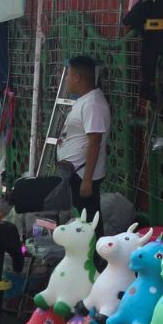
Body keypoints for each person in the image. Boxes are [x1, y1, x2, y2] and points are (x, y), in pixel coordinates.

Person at [56, 56, 111, 226]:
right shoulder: (85, 100)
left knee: (89, 223)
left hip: (83, 175)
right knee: (83, 220)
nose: (66, 79)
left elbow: (95, 141)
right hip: (75, 173)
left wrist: (87, 179)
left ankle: (94, 252)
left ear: (77, 77)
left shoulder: (93, 103)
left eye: (68, 75)